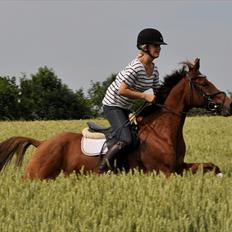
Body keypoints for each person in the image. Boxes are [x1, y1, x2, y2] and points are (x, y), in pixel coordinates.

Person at [99, 28, 167, 173]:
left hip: (125, 106)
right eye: (156, 46)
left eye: (159, 46)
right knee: (126, 139)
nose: (159, 49)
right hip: (112, 105)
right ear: (145, 47)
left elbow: (158, 94)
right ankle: (102, 169)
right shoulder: (135, 68)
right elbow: (121, 90)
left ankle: (124, 167)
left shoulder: (154, 70)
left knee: (137, 137)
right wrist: (144, 96)